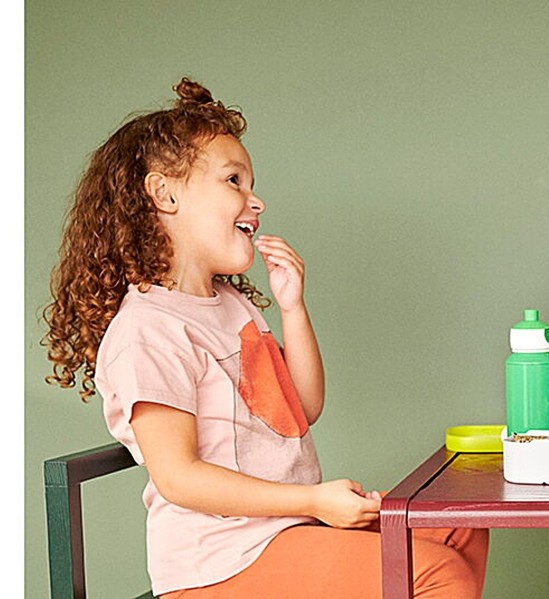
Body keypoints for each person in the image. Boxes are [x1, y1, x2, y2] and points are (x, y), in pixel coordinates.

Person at [43, 78, 488, 599]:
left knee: (457, 521)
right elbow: (179, 478)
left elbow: (302, 406)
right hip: (220, 563)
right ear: (164, 194)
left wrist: (292, 306)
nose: (256, 201)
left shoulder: (230, 305)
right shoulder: (148, 330)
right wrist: (312, 502)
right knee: (433, 573)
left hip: (284, 532)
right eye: (234, 180)